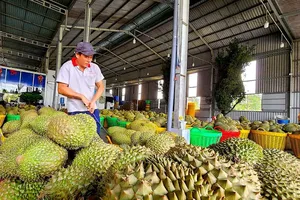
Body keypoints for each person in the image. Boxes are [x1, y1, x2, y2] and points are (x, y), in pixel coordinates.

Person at [56, 42, 104, 134]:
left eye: (91, 57)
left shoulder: (95, 68)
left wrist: (93, 101)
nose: (89, 60)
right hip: (75, 110)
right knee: (77, 139)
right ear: (77, 54)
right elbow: (61, 88)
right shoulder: (67, 67)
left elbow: (101, 86)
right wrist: (81, 96)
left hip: (92, 110)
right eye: (86, 57)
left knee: (95, 138)